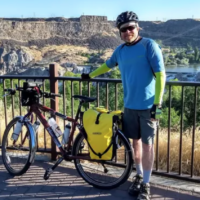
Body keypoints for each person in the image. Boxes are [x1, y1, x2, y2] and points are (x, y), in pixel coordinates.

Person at [81, 11, 166, 200]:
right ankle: (138, 175)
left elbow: (161, 75)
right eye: (123, 29)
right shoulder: (120, 50)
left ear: (137, 27)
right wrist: (90, 75)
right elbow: (108, 65)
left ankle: (146, 184)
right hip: (130, 106)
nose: (128, 32)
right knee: (135, 143)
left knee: (148, 145)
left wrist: (157, 105)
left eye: (131, 28)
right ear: (119, 32)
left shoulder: (149, 46)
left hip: (150, 106)